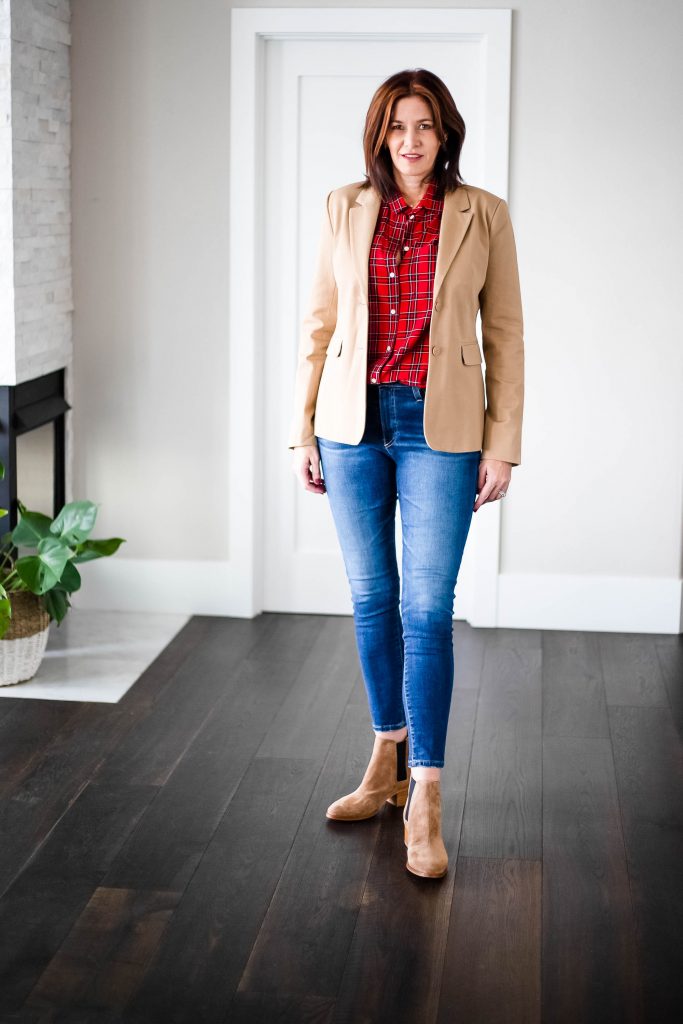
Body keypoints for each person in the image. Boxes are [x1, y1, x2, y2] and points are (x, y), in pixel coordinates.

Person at [288, 68, 524, 879]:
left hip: (442, 430)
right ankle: (383, 762)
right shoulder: (343, 206)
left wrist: (502, 444)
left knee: (425, 609)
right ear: (379, 135)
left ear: (445, 133)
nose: (410, 141)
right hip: (351, 428)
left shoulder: (482, 214)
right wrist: (301, 431)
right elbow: (318, 325)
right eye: (397, 127)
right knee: (369, 600)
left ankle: (424, 795)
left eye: (423, 126)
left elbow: (506, 337)